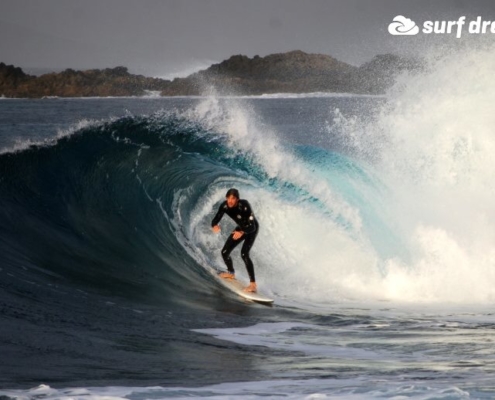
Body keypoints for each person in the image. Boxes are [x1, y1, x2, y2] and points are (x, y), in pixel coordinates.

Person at [211, 188, 259, 292]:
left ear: (237, 199)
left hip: (251, 228)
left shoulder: (245, 205)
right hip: (240, 228)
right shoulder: (224, 206)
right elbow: (216, 218)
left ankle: (253, 284)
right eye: (228, 198)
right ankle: (231, 273)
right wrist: (214, 225)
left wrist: (241, 232)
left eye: (233, 199)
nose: (230, 201)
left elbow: (252, 227)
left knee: (244, 254)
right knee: (224, 252)